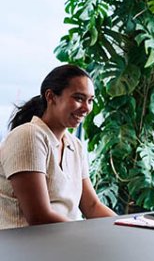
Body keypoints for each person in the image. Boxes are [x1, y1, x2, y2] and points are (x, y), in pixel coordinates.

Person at [0, 64, 115, 229]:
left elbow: (92, 206)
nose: (86, 108)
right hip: (25, 249)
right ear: (51, 96)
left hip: (62, 242)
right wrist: (88, 236)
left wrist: (126, 227)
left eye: (90, 100)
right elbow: (39, 217)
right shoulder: (28, 136)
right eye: (79, 98)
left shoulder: (74, 145)